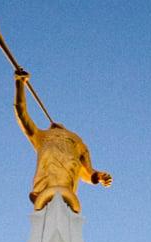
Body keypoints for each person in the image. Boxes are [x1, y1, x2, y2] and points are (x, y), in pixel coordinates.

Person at [13, 67, 112, 213]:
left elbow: (87, 171)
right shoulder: (41, 136)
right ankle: (44, 200)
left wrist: (98, 176)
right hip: (44, 188)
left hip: (66, 190)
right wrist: (20, 84)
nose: (55, 125)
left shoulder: (77, 141)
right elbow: (22, 114)